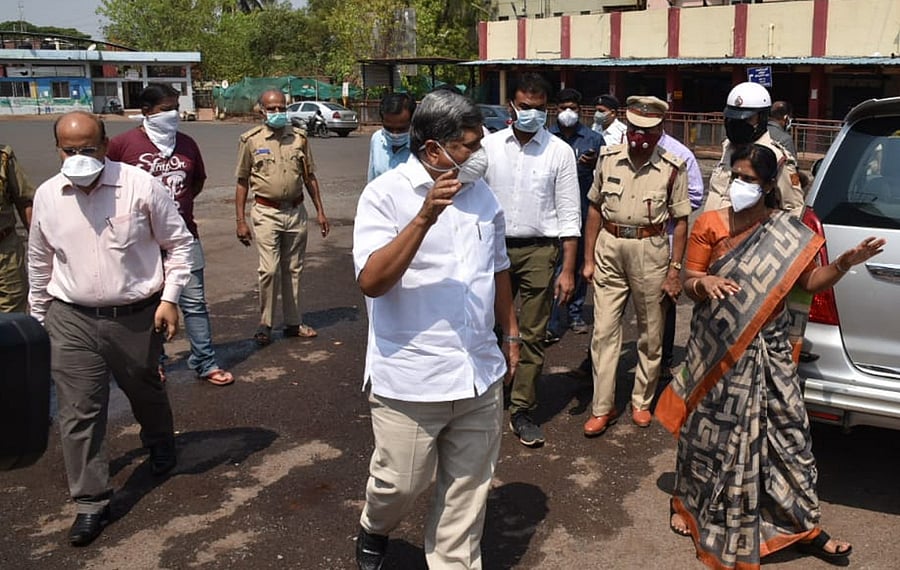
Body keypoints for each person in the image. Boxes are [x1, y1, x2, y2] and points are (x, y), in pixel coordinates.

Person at [656, 144, 882, 568]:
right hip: (719, 349)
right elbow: (690, 280)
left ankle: (803, 525)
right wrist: (704, 286)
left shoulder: (787, 231)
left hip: (771, 352)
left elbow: (809, 283)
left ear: (766, 186)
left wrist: (846, 263)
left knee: (789, 439)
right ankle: (686, 506)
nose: (741, 185)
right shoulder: (710, 224)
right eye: (736, 176)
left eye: (750, 180)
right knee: (709, 438)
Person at [352, 90, 519, 570]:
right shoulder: (383, 196)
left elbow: (498, 267)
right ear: (433, 150)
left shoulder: (482, 195)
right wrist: (424, 216)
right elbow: (372, 281)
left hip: (478, 369)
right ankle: (374, 525)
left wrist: (510, 334)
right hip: (411, 375)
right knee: (399, 483)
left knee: (468, 492)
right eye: (468, 145)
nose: (479, 154)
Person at [27, 111, 194, 546]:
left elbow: (179, 244)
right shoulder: (48, 195)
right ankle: (90, 501)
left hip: (137, 315)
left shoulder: (140, 186)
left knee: (145, 389)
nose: (79, 158)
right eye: (70, 150)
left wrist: (171, 299)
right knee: (78, 411)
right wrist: (39, 318)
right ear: (58, 149)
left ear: (105, 145)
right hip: (72, 318)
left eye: (88, 149)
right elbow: (39, 260)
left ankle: (159, 441)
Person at [107, 83, 234, 386]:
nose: (173, 114)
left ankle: (204, 361)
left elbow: (196, 182)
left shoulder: (187, 144)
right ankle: (156, 361)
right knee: (149, 305)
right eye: (166, 109)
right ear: (146, 112)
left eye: (175, 107)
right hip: (140, 242)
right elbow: (107, 184)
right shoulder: (123, 145)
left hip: (185, 236)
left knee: (194, 303)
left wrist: (174, 210)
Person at [581, 95, 690, 437]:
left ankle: (641, 402)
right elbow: (595, 209)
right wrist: (587, 259)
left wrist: (675, 269)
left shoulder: (673, 166)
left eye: (648, 130)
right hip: (610, 246)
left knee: (651, 332)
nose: (640, 137)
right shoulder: (608, 159)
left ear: (660, 130)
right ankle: (603, 407)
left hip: (651, 249)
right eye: (634, 129)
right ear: (627, 126)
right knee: (603, 332)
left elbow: (681, 221)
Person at [483, 73, 580, 447]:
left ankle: (522, 408)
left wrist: (568, 269)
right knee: (487, 326)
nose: (531, 114)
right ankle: (491, 397)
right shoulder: (489, 148)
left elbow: (569, 214)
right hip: (493, 247)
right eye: (525, 107)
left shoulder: (559, 152)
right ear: (512, 105)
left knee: (534, 333)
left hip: (541, 250)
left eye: (538, 109)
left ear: (547, 109)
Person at [234, 89, 330, 346]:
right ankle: (265, 323)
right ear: (261, 110)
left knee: (294, 269)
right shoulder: (251, 140)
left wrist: (320, 211)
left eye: (281, 108)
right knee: (269, 269)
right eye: (272, 108)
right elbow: (242, 181)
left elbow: (309, 176)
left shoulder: (299, 138)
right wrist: (240, 220)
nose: (277, 113)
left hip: (295, 211)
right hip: (266, 212)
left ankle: (293, 322)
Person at [546, 88, 604, 340]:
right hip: (551, 213)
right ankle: (553, 316)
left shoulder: (592, 139)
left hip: (582, 212)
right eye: (562, 108)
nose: (567, 113)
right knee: (553, 265)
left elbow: (604, 176)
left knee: (580, 263)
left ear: (580, 111)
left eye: (572, 107)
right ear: (554, 110)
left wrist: (594, 164)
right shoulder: (546, 138)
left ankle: (575, 311)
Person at [703, 82, 804, 215]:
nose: (736, 124)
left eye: (746, 119)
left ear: (761, 118)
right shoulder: (728, 147)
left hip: (748, 233)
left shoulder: (778, 158)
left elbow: (794, 209)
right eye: (732, 118)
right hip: (709, 230)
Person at [656, 129, 704, 380]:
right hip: (623, 242)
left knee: (665, 303)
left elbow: (695, 194)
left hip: (665, 239)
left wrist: (665, 209)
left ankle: (664, 361)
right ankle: (592, 365)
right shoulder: (622, 146)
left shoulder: (679, 154)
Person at [0, 144, 34, 313]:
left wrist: (39, 246)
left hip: (5, 249)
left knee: (12, 310)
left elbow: (24, 200)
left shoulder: (3, 157)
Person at [366, 92, 416, 182]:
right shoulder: (377, 139)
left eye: (401, 129)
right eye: (389, 128)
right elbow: (372, 180)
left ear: (412, 122)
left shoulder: (421, 145)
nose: (394, 134)